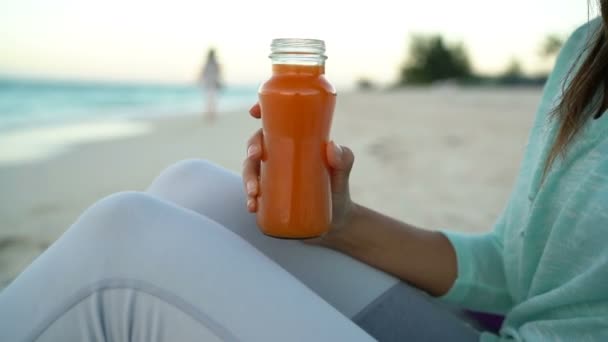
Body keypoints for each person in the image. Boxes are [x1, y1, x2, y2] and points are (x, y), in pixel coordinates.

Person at [1, 5, 608, 341]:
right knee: (191, 186)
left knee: (121, 240)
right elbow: (510, 269)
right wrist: (336, 223)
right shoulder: (588, 50)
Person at [200, 48, 222, 121]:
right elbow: (218, 73)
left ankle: (210, 115)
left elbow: (203, 73)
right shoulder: (213, 63)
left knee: (210, 100)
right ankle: (211, 115)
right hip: (210, 84)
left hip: (210, 84)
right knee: (211, 100)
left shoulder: (208, 63)